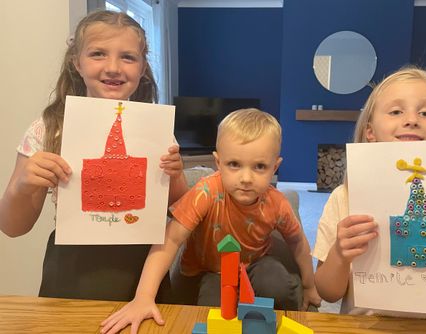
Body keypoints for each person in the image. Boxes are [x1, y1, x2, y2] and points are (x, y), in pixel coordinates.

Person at [0, 10, 188, 302]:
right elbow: (12, 226)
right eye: (98, 54)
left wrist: (174, 174)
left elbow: (181, 209)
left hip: (142, 271)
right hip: (72, 270)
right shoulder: (49, 128)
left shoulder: (156, 129)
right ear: (77, 62)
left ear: (142, 68)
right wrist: (24, 184)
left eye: (128, 57)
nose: (113, 67)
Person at [100, 108, 321, 334]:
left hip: (254, 266)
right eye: (234, 164)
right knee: (211, 306)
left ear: (275, 167)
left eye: (260, 167)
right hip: (205, 272)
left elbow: (298, 242)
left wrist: (309, 285)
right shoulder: (205, 192)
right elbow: (171, 239)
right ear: (218, 162)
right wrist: (143, 297)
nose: (246, 178)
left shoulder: (277, 203)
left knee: (277, 283)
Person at [313, 66, 426, 317]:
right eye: (396, 111)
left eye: (425, 112)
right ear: (370, 132)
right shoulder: (344, 197)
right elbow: (327, 292)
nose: (412, 119)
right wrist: (339, 254)